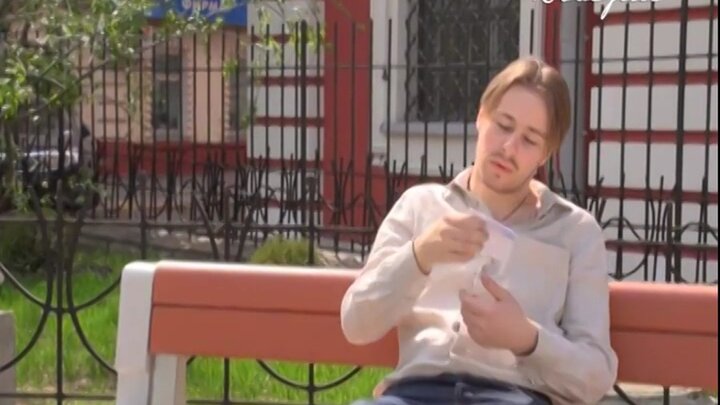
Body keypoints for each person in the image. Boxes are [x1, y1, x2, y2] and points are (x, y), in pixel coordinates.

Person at [340, 56, 618, 405]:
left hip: (513, 396)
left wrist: (526, 338)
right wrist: (419, 255)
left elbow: (595, 376)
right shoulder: (420, 205)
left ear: (545, 154)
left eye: (529, 140)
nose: (508, 148)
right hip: (417, 393)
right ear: (481, 117)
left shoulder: (575, 232)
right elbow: (356, 324)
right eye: (503, 125)